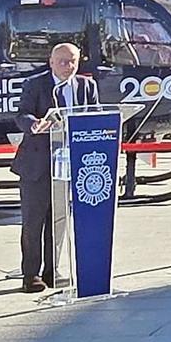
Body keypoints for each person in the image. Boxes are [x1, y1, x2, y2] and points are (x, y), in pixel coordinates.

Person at [10, 42, 101, 294]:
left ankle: (52, 270)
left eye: (72, 61)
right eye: (62, 61)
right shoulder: (35, 84)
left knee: (58, 220)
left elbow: (94, 116)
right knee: (33, 221)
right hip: (37, 165)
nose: (67, 66)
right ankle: (31, 274)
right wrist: (34, 124)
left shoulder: (86, 85)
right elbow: (22, 115)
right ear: (51, 62)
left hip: (70, 164)